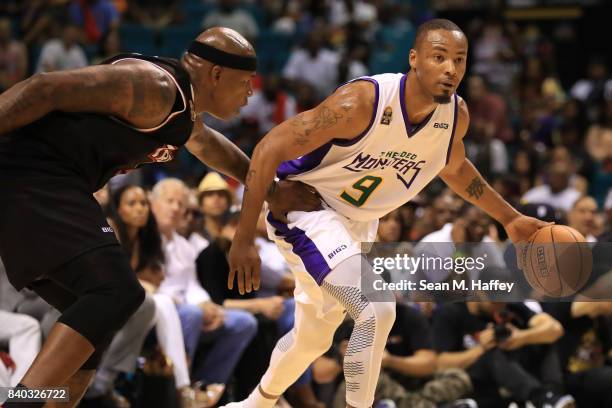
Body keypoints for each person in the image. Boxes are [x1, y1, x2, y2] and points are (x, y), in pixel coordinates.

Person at [226, 19, 551, 408]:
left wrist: (511, 218)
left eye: (459, 60)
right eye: (439, 57)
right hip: (310, 210)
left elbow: (455, 168)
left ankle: (252, 405)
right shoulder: (363, 103)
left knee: (313, 339)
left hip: (359, 225)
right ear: (414, 59)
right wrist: (244, 237)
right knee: (377, 309)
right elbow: (267, 149)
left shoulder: (454, 118)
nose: (451, 69)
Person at [0, 27, 319, 408]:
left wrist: (270, 188)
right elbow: (43, 87)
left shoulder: (180, 111)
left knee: (95, 322)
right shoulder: (154, 86)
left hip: (43, 185)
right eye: (245, 82)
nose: (250, 93)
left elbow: (209, 145)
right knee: (117, 292)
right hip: (32, 176)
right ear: (216, 74)